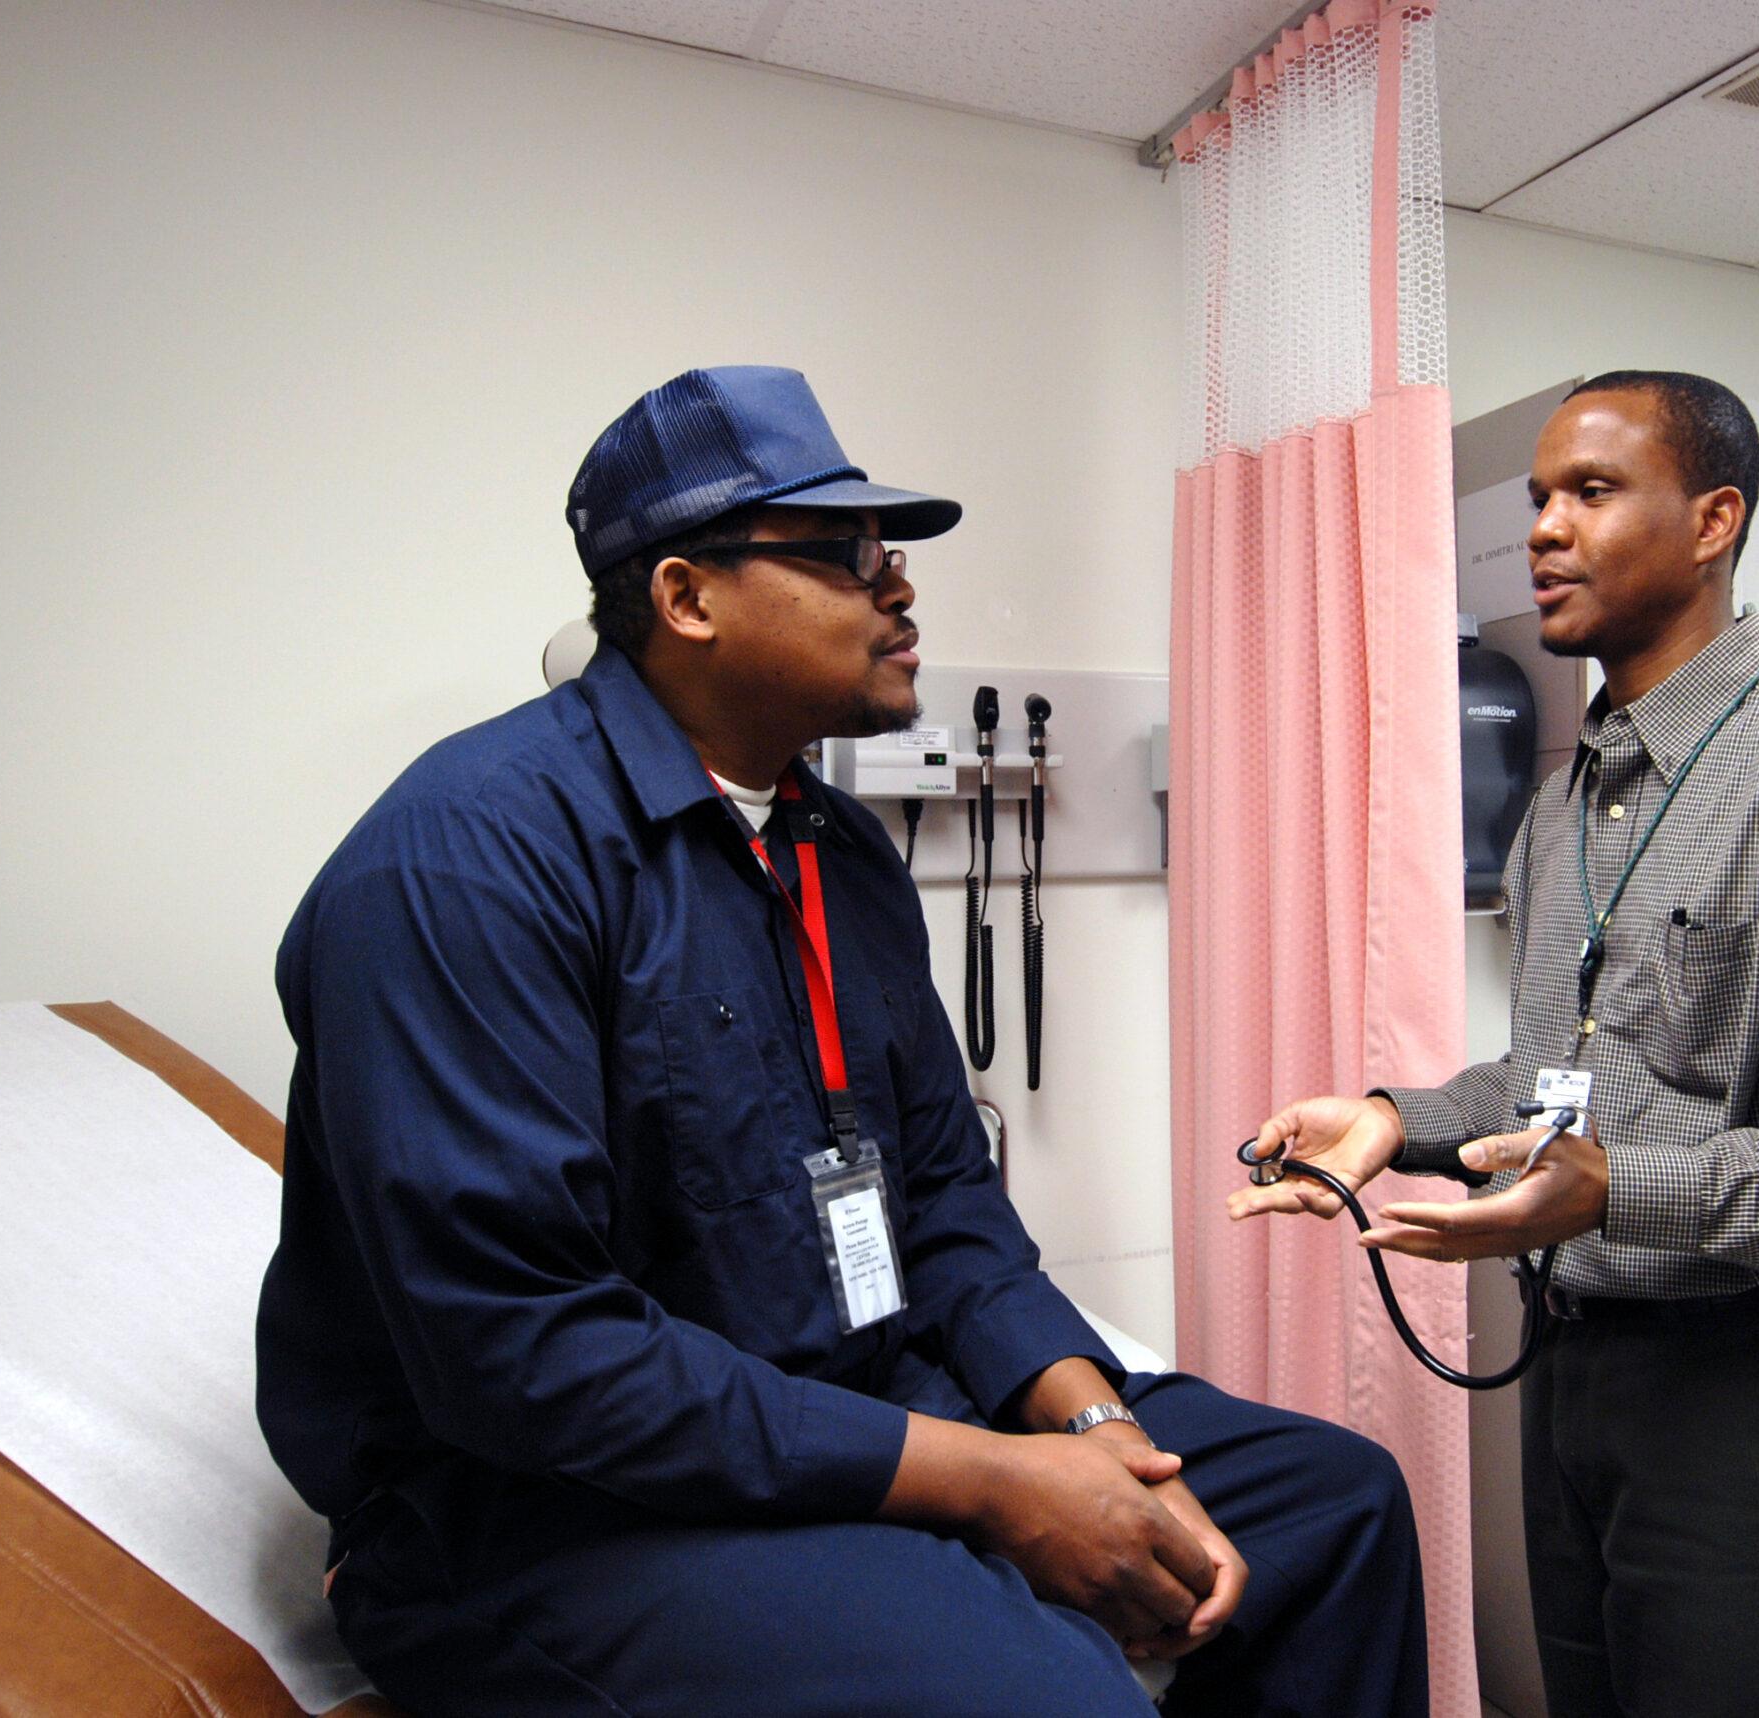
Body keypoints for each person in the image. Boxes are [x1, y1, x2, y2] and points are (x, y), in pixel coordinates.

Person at [257, 366, 1428, 1718]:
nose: (901, 586)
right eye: (847, 552)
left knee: (1331, 1507)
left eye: (897, 552)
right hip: (546, 1505)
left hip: (856, 1398)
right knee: (1046, 1701)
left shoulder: (842, 853)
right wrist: (987, 1482)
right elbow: (528, 1358)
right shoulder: (469, 858)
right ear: (687, 596)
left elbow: (943, 1200)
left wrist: (1097, 1434)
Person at [1228, 372, 1759, 1718]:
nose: (1543, 527)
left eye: (1589, 492)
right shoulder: (1563, 806)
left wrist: (1626, 1187)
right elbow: (1562, 1089)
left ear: (1715, 520)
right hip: (1578, 1379)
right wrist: (1394, 1119)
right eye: (1539, 497)